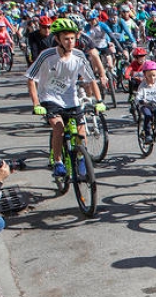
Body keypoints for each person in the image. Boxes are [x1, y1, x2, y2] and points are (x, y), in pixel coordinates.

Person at [26, 18, 106, 178]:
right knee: (59, 128)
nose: (70, 42)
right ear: (57, 39)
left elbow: (91, 79)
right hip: (49, 97)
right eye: (66, 39)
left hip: (71, 98)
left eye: (73, 38)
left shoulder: (79, 56)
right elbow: (30, 79)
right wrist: (36, 104)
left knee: (81, 132)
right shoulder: (46, 55)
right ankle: (58, 162)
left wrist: (99, 101)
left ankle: (82, 157)